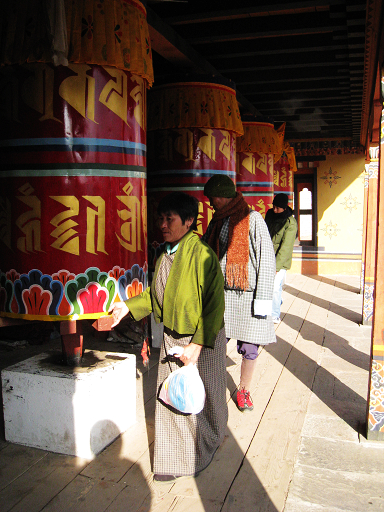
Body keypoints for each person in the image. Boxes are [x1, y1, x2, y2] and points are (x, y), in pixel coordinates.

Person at [109, 192, 227, 484]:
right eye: (160, 218)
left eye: (169, 218)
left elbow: (214, 305)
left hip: (203, 337)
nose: (162, 224)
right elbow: (155, 293)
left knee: (206, 397)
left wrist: (197, 346)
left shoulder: (202, 256)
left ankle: (207, 443)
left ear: (188, 221)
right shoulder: (165, 252)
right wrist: (127, 306)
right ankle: (176, 459)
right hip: (175, 338)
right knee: (174, 398)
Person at [202, 175, 276, 413]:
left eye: (212, 198)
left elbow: (266, 261)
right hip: (221, 294)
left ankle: (243, 390)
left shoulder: (253, 219)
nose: (210, 203)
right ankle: (212, 388)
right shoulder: (216, 221)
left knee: (250, 348)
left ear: (222, 196)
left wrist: (263, 300)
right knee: (214, 343)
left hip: (248, 295)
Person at [264, 193, 298, 324]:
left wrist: (276, 267)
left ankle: (274, 315)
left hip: (280, 261)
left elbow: (286, 248)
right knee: (268, 285)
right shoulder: (270, 214)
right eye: (274, 206)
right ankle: (277, 302)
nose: (275, 210)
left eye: (278, 208)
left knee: (274, 287)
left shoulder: (291, 223)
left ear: (285, 208)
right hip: (267, 255)